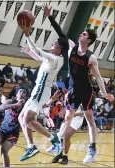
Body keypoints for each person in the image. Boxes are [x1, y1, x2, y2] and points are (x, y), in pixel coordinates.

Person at [43, 3, 114, 163]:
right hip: (73, 90)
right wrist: (49, 16)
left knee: (90, 119)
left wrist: (104, 93)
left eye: (83, 34)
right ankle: (58, 146)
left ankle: (92, 148)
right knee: (67, 119)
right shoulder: (72, 47)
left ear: (88, 40)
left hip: (86, 91)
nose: (80, 35)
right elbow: (60, 33)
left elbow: (98, 77)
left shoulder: (91, 57)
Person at [17, 18, 69, 161]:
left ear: (59, 49)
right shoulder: (57, 59)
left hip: (41, 91)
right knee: (22, 118)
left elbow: (39, 52)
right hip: (38, 91)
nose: (52, 45)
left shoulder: (54, 58)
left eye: (54, 44)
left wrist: (27, 34)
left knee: (28, 118)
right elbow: (40, 57)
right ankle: (31, 146)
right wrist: (29, 53)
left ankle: (54, 139)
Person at [0, 89, 26, 167]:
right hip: (2, 129)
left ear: (25, 96)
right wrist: (15, 105)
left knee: (4, 150)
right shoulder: (10, 101)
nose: (22, 93)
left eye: (24, 92)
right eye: (20, 91)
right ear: (17, 95)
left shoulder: (26, 106)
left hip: (13, 133)